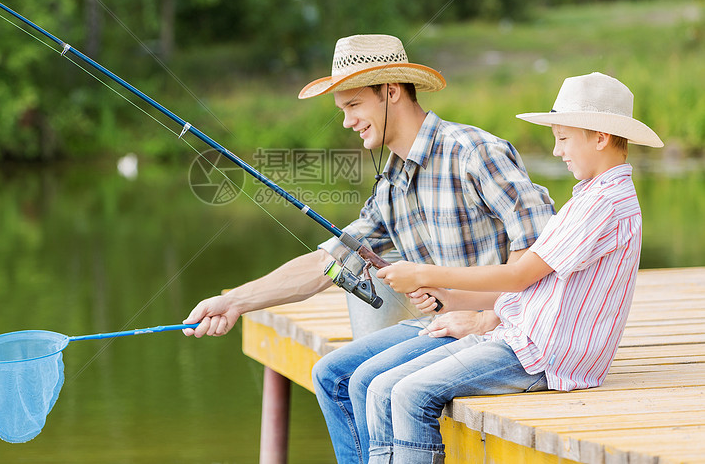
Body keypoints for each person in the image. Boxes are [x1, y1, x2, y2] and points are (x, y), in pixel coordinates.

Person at [182, 34, 556, 463]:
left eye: (354, 106)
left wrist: (484, 314)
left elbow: (541, 247)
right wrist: (233, 301)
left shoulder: (474, 153)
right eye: (343, 110)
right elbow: (326, 263)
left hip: (500, 330)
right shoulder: (391, 185)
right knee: (331, 374)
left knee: (367, 383)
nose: (347, 121)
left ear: (391, 91)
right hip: (442, 325)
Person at [368, 72, 663, 463]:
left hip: (542, 355)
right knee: (381, 387)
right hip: (518, 339)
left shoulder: (606, 203)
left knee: (410, 394)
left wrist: (423, 273)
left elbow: (519, 275)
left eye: (562, 138)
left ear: (600, 137)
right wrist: (455, 299)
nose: (557, 151)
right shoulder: (591, 197)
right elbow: (532, 285)